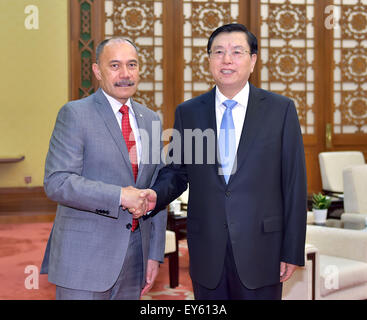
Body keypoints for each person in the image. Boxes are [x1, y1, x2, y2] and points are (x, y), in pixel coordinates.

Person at [135, 23, 308, 299]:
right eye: (218, 52)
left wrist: (292, 249)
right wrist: (155, 195)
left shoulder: (280, 110)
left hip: (263, 249)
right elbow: (177, 172)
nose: (227, 60)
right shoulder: (189, 113)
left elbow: (294, 184)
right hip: (208, 249)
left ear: (252, 60)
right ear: (209, 60)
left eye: (237, 52)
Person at [40, 38, 166, 300]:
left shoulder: (151, 119)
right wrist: (120, 195)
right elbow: (58, 182)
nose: (125, 74)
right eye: (115, 65)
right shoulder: (75, 114)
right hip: (84, 256)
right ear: (98, 71)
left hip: (135, 257)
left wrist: (154, 254)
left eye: (132, 65)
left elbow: (157, 190)